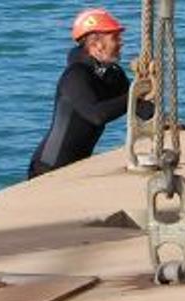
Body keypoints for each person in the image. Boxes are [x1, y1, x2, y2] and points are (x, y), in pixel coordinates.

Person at [28, 7, 153, 179]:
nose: (121, 42)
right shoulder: (75, 75)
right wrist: (134, 94)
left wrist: (163, 121)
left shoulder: (113, 73)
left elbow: (139, 107)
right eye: (115, 37)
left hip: (77, 166)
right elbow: (96, 115)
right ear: (96, 44)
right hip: (47, 168)